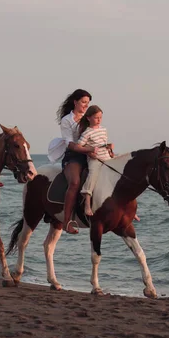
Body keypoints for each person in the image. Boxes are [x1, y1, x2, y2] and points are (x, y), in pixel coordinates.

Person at [56, 89, 96, 234]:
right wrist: (86, 149)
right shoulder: (67, 120)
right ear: (75, 102)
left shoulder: (89, 117)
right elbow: (69, 143)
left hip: (90, 153)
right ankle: (66, 222)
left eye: (88, 103)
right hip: (73, 156)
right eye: (83, 102)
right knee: (74, 182)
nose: (86, 106)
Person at [77, 106, 111, 216]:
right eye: (96, 117)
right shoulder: (87, 132)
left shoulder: (104, 130)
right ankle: (87, 203)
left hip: (106, 157)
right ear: (88, 118)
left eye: (100, 117)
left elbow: (103, 143)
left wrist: (109, 147)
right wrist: (88, 152)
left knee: (118, 173)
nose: (99, 120)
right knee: (92, 175)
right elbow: (79, 146)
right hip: (95, 159)